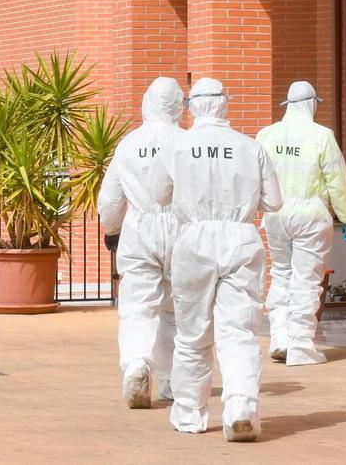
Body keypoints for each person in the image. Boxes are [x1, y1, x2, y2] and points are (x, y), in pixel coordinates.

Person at [148, 77, 283, 442]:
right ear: (225, 103)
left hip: (193, 240)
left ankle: (190, 412)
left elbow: (158, 194)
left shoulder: (177, 146)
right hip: (240, 237)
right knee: (239, 331)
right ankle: (240, 407)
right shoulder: (249, 146)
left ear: (193, 105)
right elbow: (274, 201)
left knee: (192, 333)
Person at [97, 77, 185, 409]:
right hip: (179, 227)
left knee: (138, 304)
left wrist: (112, 229)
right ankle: (172, 379)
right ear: (179, 105)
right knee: (176, 309)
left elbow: (109, 199)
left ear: (147, 102)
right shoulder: (187, 141)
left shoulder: (129, 143)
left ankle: (137, 363)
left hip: (140, 227)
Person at [256, 81, 346, 366]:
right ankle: (300, 345)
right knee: (306, 279)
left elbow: (257, 176)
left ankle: (280, 337)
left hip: (275, 214)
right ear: (312, 103)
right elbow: (337, 180)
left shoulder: (267, 134)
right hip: (310, 214)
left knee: (282, 274)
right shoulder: (321, 136)